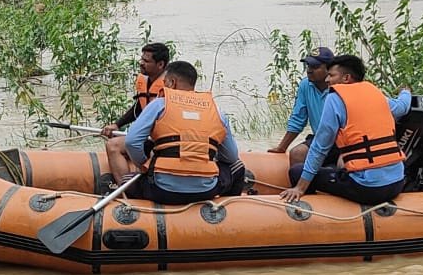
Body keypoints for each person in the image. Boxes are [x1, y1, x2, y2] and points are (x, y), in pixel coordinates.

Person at [279, 54, 412, 207]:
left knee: (296, 172)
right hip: (397, 183)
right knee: (339, 166)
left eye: (331, 75)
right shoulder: (375, 93)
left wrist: (300, 188)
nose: (327, 80)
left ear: (346, 78)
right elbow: (402, 107)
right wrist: (406, 92)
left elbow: (320, 147)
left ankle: (317, 212)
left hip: (368, 189)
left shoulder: (334, 98)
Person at [118, 60, 241, 205]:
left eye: (164, 82)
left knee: (126, 180)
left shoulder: (158, 105)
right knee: (237, 166)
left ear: (172, 82)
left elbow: (132, 142)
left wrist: (144, 164)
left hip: (161, 190)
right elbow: (231, 157)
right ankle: (228, 213)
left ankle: (138, 216)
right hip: (206, 191)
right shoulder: (217, 112)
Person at [101, 43, 169, 182]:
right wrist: (117, 124)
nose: (141, 63)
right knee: (112, 145)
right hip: (148, 138)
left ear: (160, 64)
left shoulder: (171, 85)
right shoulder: (144, 80)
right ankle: (127, 190)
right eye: (141, 59)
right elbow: (139, 107)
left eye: (146, 61)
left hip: (166, 140)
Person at [268, 47, 337, 166]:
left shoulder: (339, 87)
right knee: (297, 153)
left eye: (315, 67)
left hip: (341, 141)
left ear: (329, 69)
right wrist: (282, 147)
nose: (309, 70)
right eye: (308, 66)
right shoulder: (305, 85)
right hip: (319, 139)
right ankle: (303, 184)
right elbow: (298, 119)